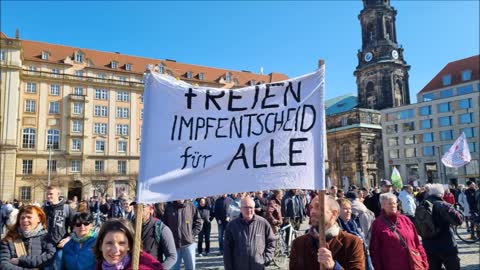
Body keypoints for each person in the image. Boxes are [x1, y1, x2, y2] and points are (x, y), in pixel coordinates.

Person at [289, 196, 365, 270]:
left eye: (318, 207)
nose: (312, 212)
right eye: (311, 207)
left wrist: (334, 266)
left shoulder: (352, 242)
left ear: (334, 213)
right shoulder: (298, 243)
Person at [369, 193, 428, 270]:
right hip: (392, 266)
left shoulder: (405, 220)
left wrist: (424, 262)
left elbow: (417, 243)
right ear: (382, 206)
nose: (393, 205)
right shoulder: (377, 224)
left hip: (414, 264)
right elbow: (375, 250)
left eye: (394, 203)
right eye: (390, 203)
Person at [224, 197, 275, 270]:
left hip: (258, 266)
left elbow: (271, 241)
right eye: (246, 207)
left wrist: (267, 258)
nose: (249, 210)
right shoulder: (232, 226)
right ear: (241, 209)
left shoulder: (263, 223)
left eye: (251, 207)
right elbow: (227, 251)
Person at [421, 183, 463, 270]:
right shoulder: (443, 205)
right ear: (441, 194)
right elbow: (458, 221)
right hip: (445, 244)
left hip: (428, 245)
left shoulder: (421, 205)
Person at [92, 218, 162, 270]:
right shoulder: (100, 266)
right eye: (109, 243)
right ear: (101, 245)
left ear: (130, 245)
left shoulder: (143, 267)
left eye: (121, 243)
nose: (115, 250)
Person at [162, 200, 202, 270]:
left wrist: (191, 234)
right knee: (174, 268)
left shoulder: (191, 206)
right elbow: (164, 225)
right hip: (174, 245)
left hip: (189, 244)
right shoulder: (169, 207)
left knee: (190, 268)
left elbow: (199, 222)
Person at [43, 185, 76, 269]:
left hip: (60, 246)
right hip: (45, 246)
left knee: (59, 266)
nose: (48, 196)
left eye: (51, 194)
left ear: (58, 194)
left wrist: (69, 238)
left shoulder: (66, 208)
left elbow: (76, 226)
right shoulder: (43, 209)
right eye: (47, 194)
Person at [337, 199, 373, 270]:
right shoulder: (337, 226)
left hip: (363, 256)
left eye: (350, 209)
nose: (349, 211)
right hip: (349, 261)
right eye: (345, 209)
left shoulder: (352, 223)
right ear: (337, 210)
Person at [140, 204, 177, 269]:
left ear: (150, 209)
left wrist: (159, 268)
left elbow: (172, 256)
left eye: (142, 207)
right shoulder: (130, 226)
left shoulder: (161, 228)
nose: (138, 210)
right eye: (135, 207)